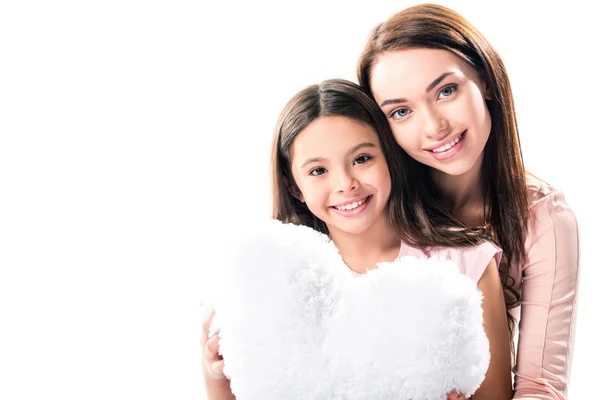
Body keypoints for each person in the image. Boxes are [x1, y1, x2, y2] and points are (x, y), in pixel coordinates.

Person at [201, 79, 512, 400]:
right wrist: (215, 376)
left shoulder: (465, 264)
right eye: (318, 171)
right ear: (294, 187)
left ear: (390, 157)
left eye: (362, 159)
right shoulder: (272, 280)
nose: (345, 183)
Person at [357, 4, 579, 399]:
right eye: (401, 111)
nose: (434, 126)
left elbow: (540, 386)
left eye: (446, 90)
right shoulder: (367, 202)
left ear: (486, 81)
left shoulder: (542, 218)